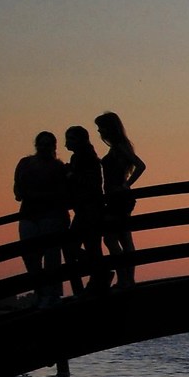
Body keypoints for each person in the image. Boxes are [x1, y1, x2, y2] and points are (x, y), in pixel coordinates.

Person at [12, 131, 66, 303]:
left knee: (51, 256)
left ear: (54, 147)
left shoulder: (58, 167)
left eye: (48, 144)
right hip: (28, 213)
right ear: (36, 145)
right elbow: (17, 186)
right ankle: (41, 291)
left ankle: (52, 294)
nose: (44, 147)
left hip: (50, 214)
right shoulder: (25, 163)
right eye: (41, 143)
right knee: (29, 255)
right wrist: (21, 193)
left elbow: (62, 191)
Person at [94, 112, 144, 288]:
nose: (99, 131)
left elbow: (140, 165)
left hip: (118, 198)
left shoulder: (119, 147)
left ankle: (125, 278)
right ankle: (127, 279)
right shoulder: (119, 146)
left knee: (110, 239)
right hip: (119, 197)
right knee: (124, 238)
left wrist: (126, 184)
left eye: (101, 127)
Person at [61, 125, 105, 295]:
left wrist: (70, 175)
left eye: (71, 139)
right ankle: (99, 275)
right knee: (89, 246)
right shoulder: (81, 157)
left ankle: (98, 276)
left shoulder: (86, 158)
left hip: (90, 208)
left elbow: (92, 184)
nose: (67, 143)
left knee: (76, 246)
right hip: (86, 208)